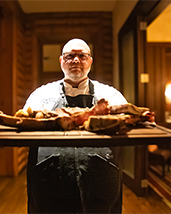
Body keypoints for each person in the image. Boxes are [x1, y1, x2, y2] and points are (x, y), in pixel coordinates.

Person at [23, 38, 128, 213]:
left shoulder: (110, 94)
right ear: (61, 61)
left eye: (82, 56)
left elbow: (126, 120)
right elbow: (25, 120)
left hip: (100, 173)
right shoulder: (40, 95)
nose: (76, 60)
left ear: (90, 61)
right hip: (49, 173)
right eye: (70, 56)